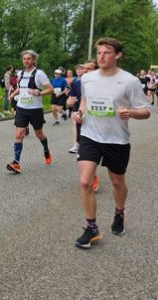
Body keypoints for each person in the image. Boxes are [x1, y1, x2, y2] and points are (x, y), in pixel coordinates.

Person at [72, 38, 150, 249]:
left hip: (117, 139)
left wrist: (131, 112)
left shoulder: (129, 81)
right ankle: (91, 228)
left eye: (107, 52)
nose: (102, 56)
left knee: (117, 182)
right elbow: (85, 101)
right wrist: (79, 113)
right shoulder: (87, 78)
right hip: (90, 136)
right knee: (86, 182)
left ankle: (119, 213)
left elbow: (146, 111)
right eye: (99, 52)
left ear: (117, 55)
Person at [6, 50, 54, 174]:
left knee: (39, 134)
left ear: (33, 60)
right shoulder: (20, 73)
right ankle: (16, 163)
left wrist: (39, 92)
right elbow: (21, 88)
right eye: (24, 59)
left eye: (28, 58)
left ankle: (46, 150)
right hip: (21, 108)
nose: (26, 61)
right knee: (19, 134)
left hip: (35, 109)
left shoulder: (39, 74)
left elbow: (50, 89)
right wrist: (12, 95)